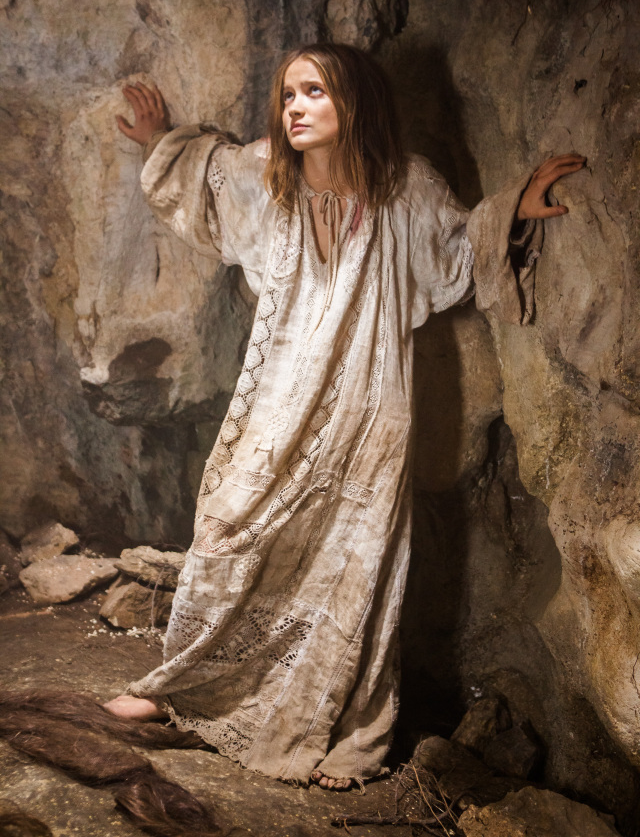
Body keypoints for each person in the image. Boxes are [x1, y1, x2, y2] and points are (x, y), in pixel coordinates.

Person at [104, 44, 585, 792]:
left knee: (353, 559)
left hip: (370, 406)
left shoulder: (405, 187)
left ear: (352, 102)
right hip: (279, 396)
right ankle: (187, 687)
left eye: (314, 92)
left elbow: (458, 245)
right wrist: (159, 140)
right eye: (288, 95)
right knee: (229, 522)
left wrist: (512, 209)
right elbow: (207, 175)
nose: (295, 107)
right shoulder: (267, 174)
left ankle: (351, 728)